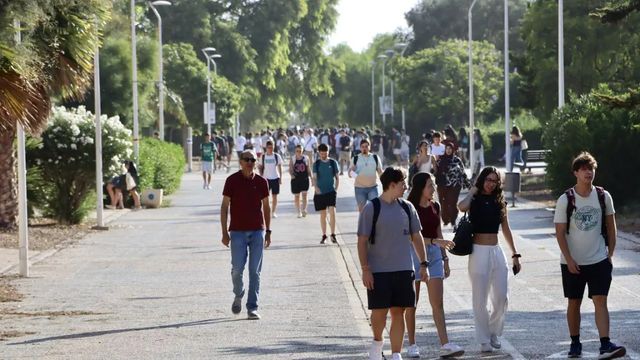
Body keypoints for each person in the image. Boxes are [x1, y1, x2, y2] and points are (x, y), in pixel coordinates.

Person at [554, 152, 626, 359]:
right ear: (576, 172)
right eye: (584, 168)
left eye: (591, 168)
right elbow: (559, 232)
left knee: (600, 300)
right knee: (574, 302)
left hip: (598, 259)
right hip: (573, 262)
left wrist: (609, 254)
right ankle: (575, 342)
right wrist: (568, 259)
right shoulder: (565, 199)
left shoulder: (603, 196)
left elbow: (611, 228)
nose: (588, 172)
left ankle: (605, 343)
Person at [357, 167, 431, 360]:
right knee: (379, 312)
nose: (406, 186)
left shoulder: (407, 207)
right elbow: (362, 241)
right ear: (392, 185)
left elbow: (417, 236)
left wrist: (423, 264)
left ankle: (396, 353)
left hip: (404, 269)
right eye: (403, 182)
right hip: (379, 270)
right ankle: (377, 341)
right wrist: (366, 270)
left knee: (399, 311)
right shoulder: (372, 208)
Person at [457, 166, 521, 353]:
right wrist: (473, 191)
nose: (491, 184)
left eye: (494, 181)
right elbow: (461, 207)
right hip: (478, 251)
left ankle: (493, 331)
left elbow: (506, 228)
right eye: (488, 180)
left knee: (502, 297)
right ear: (482, 179)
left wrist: (515, 254)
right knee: (480, 298)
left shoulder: (499, 201)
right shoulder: (474, 199)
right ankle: (484, 339)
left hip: (496, 250)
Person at [405, 172, 463, 358]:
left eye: (434, 185)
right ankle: (412, 344)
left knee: (438, 302)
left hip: (435, 255)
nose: (434, 189)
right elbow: (410, 237)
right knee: (411, 303)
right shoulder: (410, 208)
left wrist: (445, 258)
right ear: (421, 188)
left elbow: (438, 231)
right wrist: (435, 243)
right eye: (430, 185)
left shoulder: (435, 206)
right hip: (414, 254)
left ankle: (445, 344)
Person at [220, 149, 271, 320]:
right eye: (246, 159)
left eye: (253, 160)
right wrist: (224, 232)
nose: (250, 163)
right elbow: (224, 207)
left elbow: (266, 207)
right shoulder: (231, 181)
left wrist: (268, 231)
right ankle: (238, 293)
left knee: (255, 271)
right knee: (237, 270)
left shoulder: (262, 182)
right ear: (240, 162)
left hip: (257, 231)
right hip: (237, 232)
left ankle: (252, 307)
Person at [434, 143, 470, 226]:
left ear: (453, 150)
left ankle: (453, 219)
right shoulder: (440, 160)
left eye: (450, 148)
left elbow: (462, 172)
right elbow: (435, 172)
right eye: (447, 148)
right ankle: (445, 220)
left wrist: (467, 184)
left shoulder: (457, 160)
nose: (448, 150)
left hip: (455, 185)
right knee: (443, 203)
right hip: (442, 185)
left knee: (452, 202)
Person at [312, 143, 339, 244]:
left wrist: (336, 188)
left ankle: (333, 234)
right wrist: (316, 187)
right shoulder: (316, 164)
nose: (324, 155)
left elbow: (337, 176)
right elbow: (314, 177)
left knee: (332, 211)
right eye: (322, 153)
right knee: (323, 214)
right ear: (319, 153)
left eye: (325, 153)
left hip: (331, 191)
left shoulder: (333, 163)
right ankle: (324, 235)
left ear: (328, 152)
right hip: (320, 192)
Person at [349, 138, 383, 212]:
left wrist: (385, 183)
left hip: (373, 187)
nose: (364, 148)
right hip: (359, 188)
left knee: (375, 209)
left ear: (369, 147)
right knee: (362, 211)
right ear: (360, 147)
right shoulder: (355, 158)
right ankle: (364, 223)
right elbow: (350, 174)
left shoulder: (375, 157)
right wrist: (356, 175)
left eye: (366, 146)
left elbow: (380, 172)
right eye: (363, 147)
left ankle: (373, 223)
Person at [259, 140, 283, 218]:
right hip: (266, 179)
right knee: (265, 197)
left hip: (275, 178)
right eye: (269, 147)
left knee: (274, 196)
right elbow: (260, 167)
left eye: (272, 147)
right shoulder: (263, 156)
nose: (270, 149)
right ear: (266, 148)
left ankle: (273, 212)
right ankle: (266, 211)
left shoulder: (277, 156)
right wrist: (261, 176)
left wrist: (280, 178)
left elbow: (280, 167)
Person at [290, 144, 312, 218]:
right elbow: (290, 168)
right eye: (297, 151)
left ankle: (304, 209)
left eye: (300, 151)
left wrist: (312, 178)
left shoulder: (306, 158)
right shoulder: (293, 158)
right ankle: (298, 211)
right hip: (296, 180)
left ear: (302, 151)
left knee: (305, 195)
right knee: (297, 196)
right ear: (295, 151)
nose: (299, 152)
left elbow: (309, 169)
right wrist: (292, 175)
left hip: (304, 178)